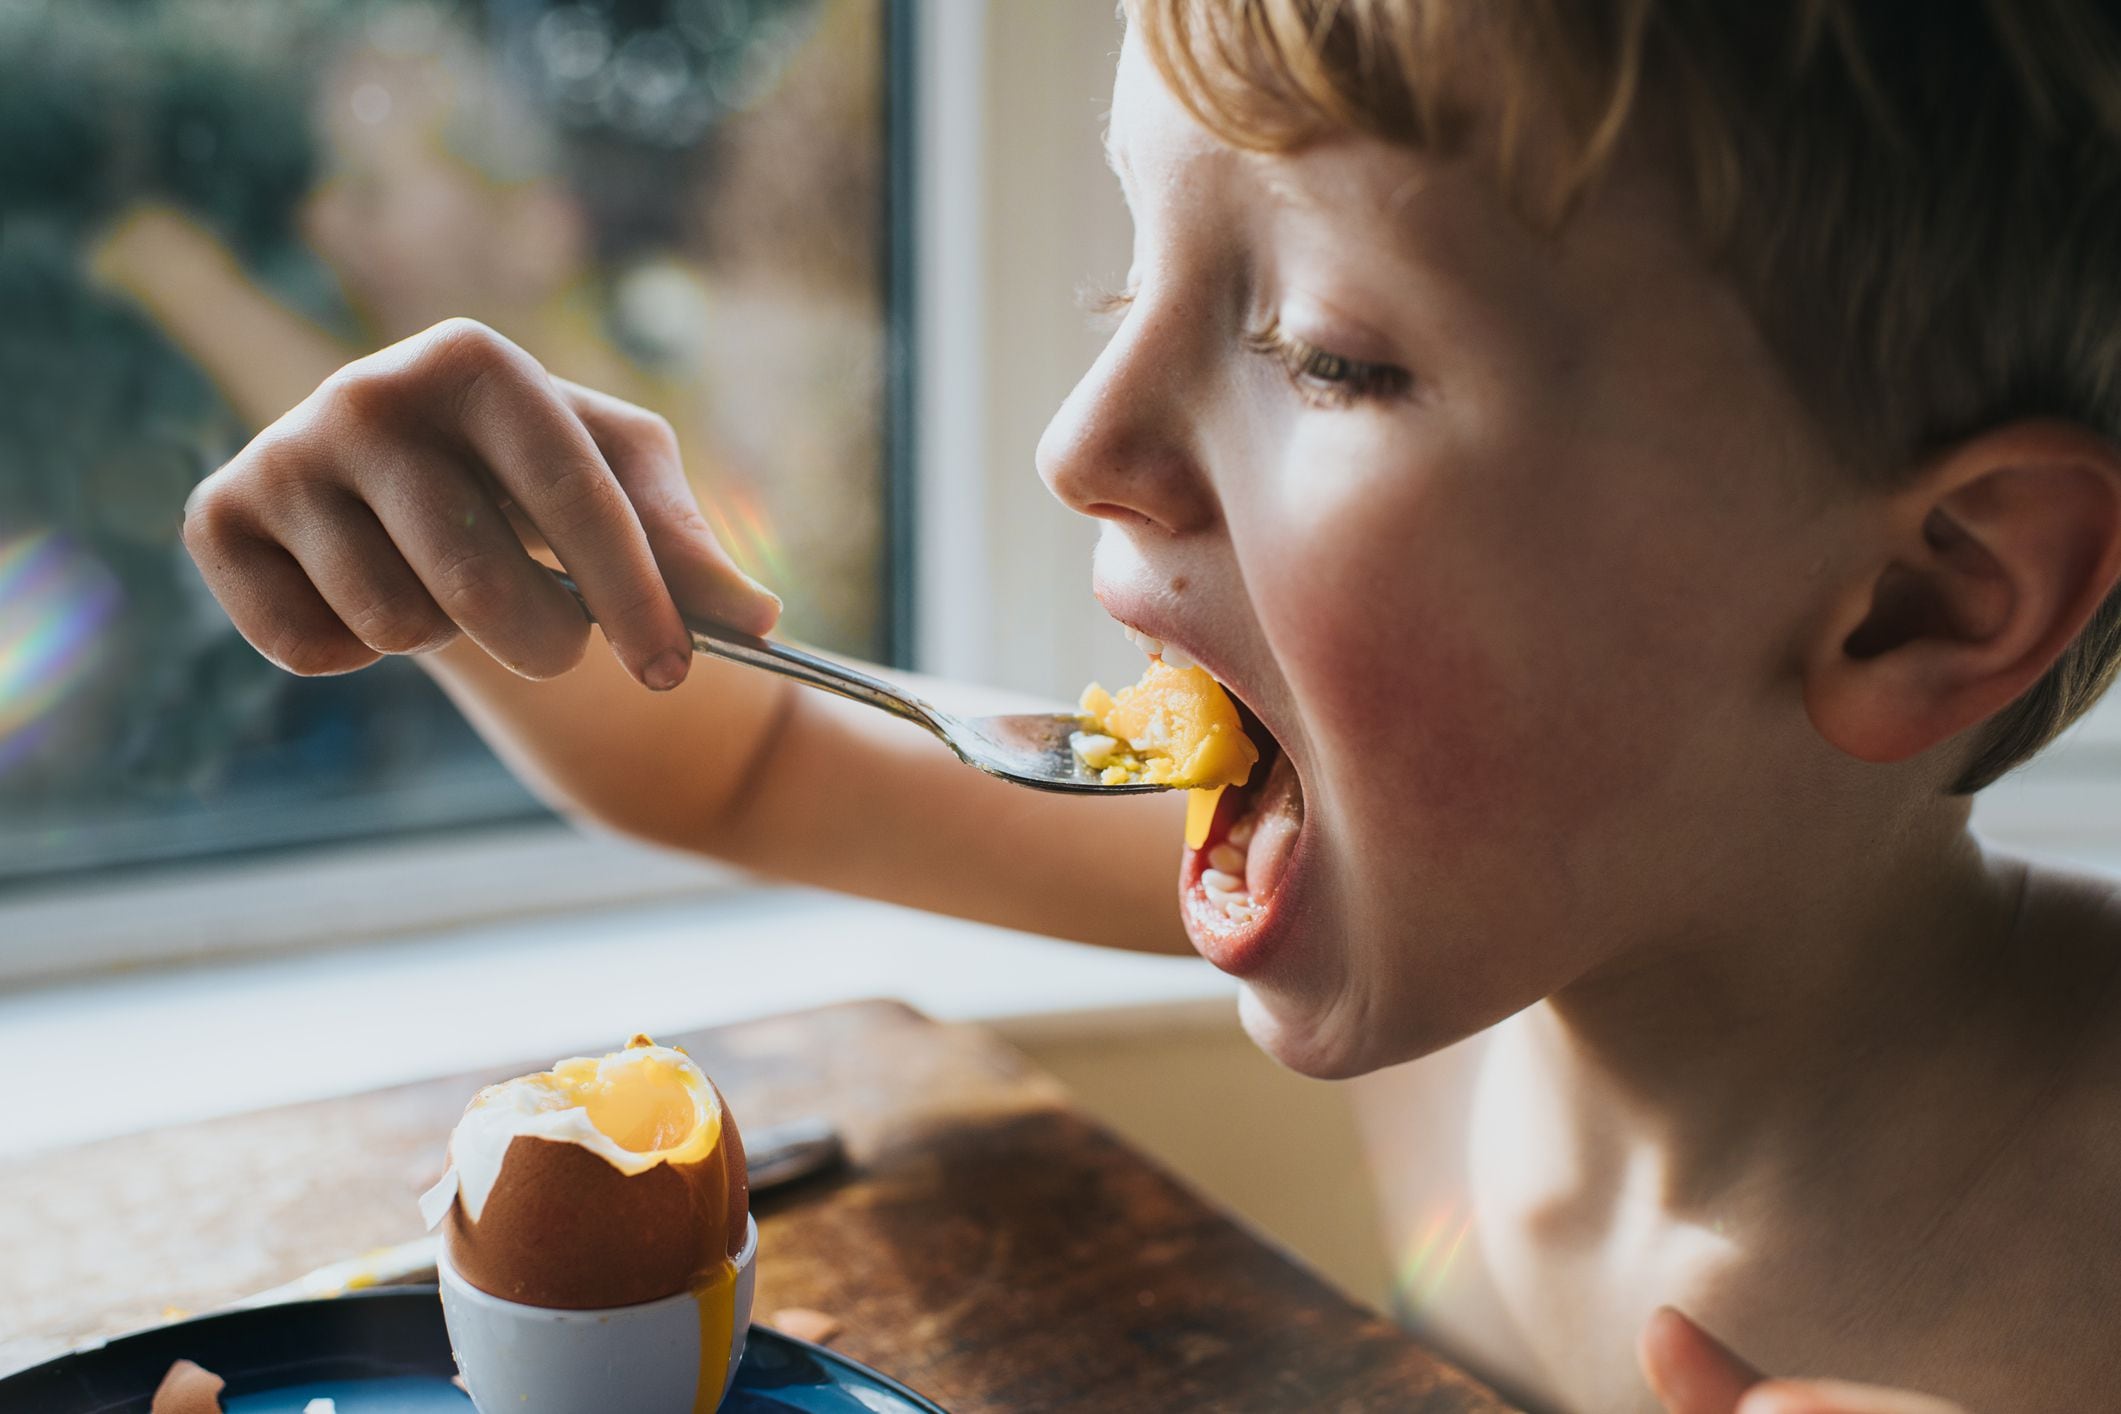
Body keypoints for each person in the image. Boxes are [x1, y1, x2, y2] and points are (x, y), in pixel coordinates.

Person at [175, 2, 2121, 1409]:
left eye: (1329, 354)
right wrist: (454, 548)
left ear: (1917, 595)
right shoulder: (1483, 919)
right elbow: (754, 751)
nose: (1077, 443)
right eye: (1127, 280)